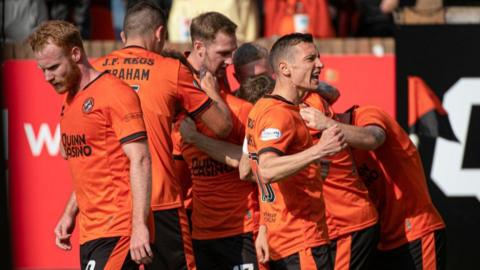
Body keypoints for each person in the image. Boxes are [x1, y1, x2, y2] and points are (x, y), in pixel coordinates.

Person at [92, 2, 233, 270]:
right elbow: (222, 127)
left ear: (123, 37)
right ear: (159, 34)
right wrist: (212, 90)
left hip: (112, 205)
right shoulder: (170, 69)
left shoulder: (95, 71)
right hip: (160, 201)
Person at [29, 20, 152, 268]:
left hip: (119, 229)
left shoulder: (114, 93)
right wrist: (69, 213)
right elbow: (90, 165)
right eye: (42, 70)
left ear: (75, 54)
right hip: (91, 233)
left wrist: (139, 226)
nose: (47, 77)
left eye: (53, 67)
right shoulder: (70, 101)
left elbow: (141, 159)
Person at [300, 105, 446, 270]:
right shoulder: (334, 150)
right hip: (380, 242)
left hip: (415, 231)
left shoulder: (366, 114)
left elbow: (373, 138)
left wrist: (327, 124)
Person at [246, 33, 346, 269]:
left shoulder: (262, 107)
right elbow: (267, 169)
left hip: (281, 238)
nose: (320, 65)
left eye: (318, 58)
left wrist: (263, 227)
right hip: (301, 242)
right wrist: (318, 151)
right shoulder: (279, 114)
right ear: (285, 68)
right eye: (311, 59)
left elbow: (256, 174)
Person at [171, 12, 261, 270]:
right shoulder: (174, 92)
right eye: (223, 53)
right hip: (198, 228)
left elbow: (253, 165)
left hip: (243, 227)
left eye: (232, 52)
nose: (230, 61)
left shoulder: (239, 108)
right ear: (199, 47)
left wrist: (196, 139)